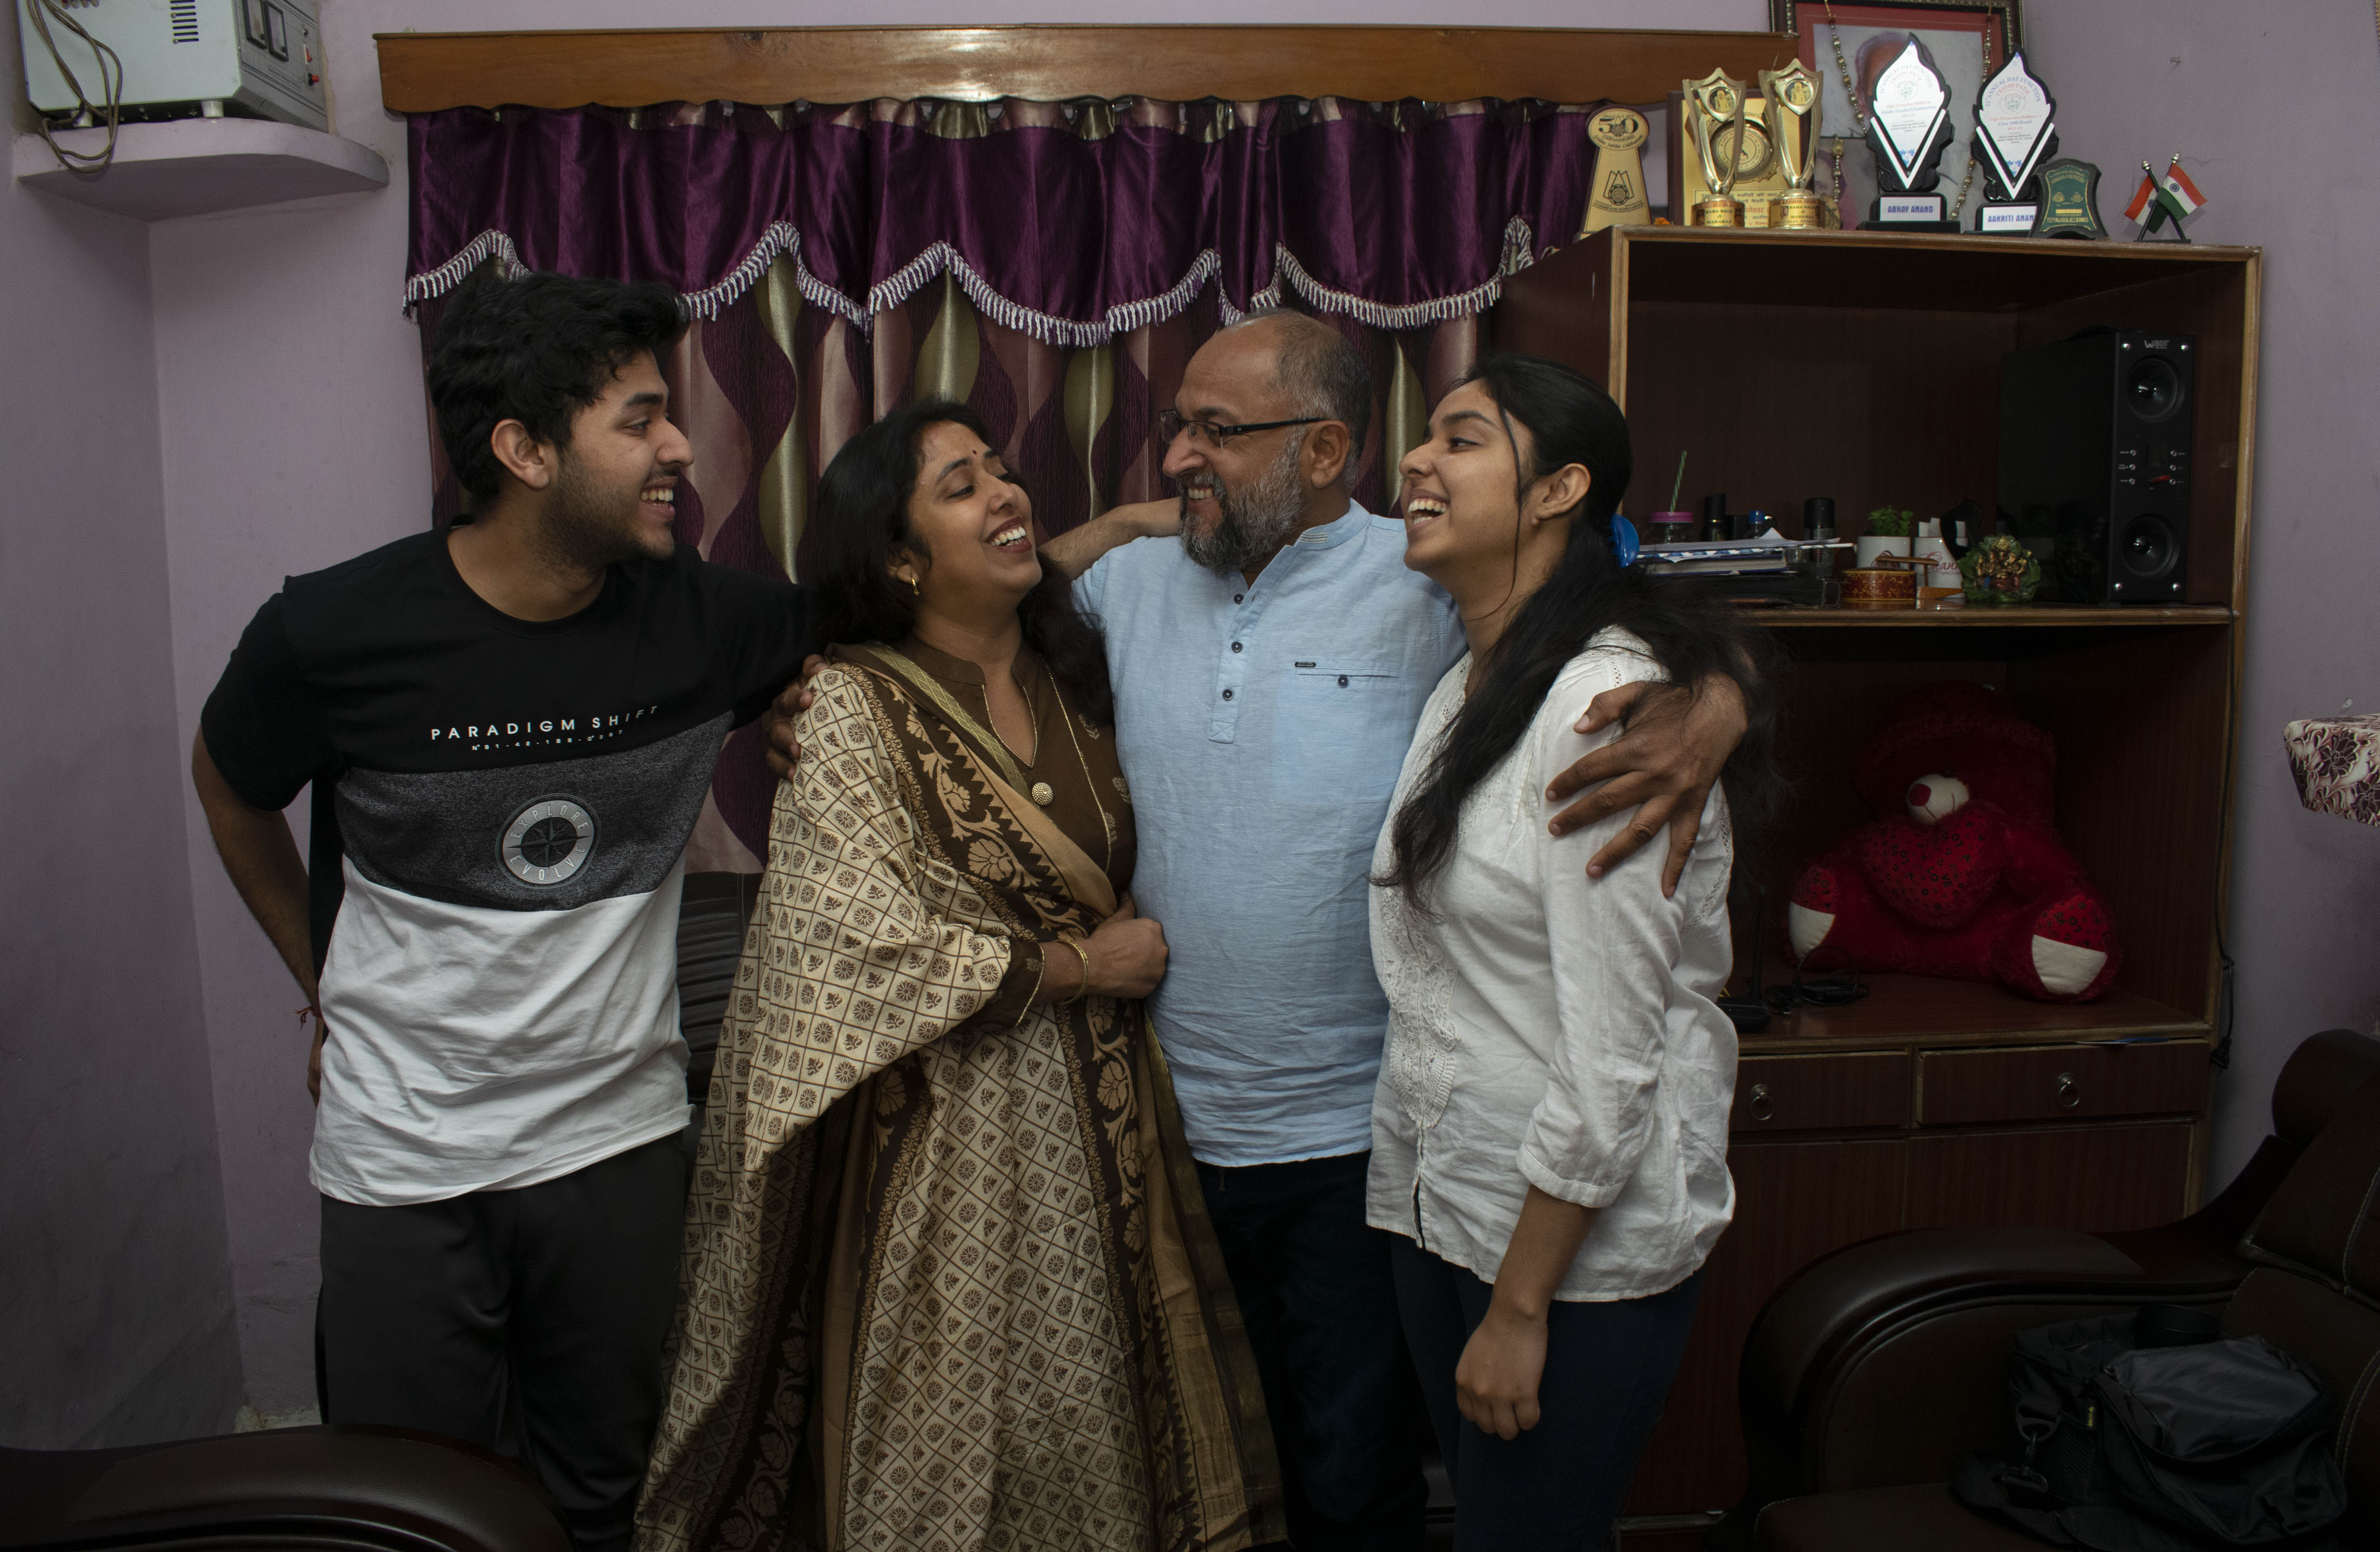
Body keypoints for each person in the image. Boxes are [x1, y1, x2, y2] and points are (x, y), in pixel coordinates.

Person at [190, 268, 1167, 1552]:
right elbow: (229, 787)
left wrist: (1112, 533)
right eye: (642, 421)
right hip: (405, 1157)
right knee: (405, 1502)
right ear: (524, 450)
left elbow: (917, 597)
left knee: (617, 1490)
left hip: (620, 1143)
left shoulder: (705, 621)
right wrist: (320, 975)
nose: (680, 448)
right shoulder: (332, 631)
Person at [768, 311, 1748, 1549]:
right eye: (1177, 426)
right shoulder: (1128, 585)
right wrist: (832, 683)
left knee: (1357, 1482)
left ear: (1329, 450)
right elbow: (957, 607)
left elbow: (1603, 620)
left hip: (1360, 1146)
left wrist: (1717, 699)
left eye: (1215, 433)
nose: (1176, 455)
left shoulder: (1432, 583)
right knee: (1197, 1472)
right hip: (1155, 1126)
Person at [636, 401, 1282, 1552]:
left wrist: (1136, 519)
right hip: (941, 1143)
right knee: (947, 1435)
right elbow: (849, 946)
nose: (1004, 491)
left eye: (1001, 468)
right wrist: (1082, 964)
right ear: (897, 555)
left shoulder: (1083, 676)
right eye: (958, 485)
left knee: (1097, 1419)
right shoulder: (844, 703)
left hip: (1105, 1122)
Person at [1368, 353, 1778, 1551]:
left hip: (1564, 1258)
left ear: (1558, 490)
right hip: (1450, 1197)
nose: (1417, 461)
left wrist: (1520, 1305)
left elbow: (1612, 1054)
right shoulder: (1472, 678)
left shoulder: (1610, 712)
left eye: (1461, 440)